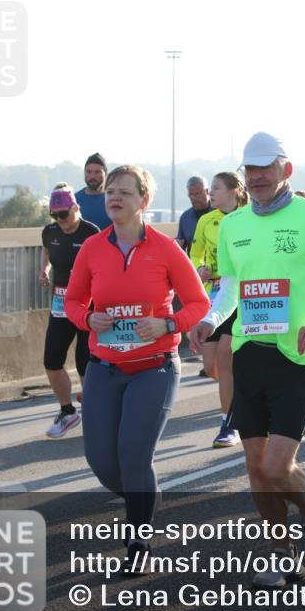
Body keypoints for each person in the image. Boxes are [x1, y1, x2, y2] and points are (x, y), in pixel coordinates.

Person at [189, 133, 305, 588]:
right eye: (250, 169)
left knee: (276, 468)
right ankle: (280, 553)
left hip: (295, 355)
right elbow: (229, 288)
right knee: (254, 467)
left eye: (266, 167)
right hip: (248, 353)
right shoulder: (233, 225)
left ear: (286, 169)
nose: (257, 176)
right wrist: (209, 320)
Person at [64, 165, 209, 566]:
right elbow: (73, 302)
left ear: (143, 201)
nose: (114, 197)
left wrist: (167, 323)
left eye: (125, 192)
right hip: (104, 367)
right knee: (101, 460)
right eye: (111, 191)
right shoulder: (93, 248)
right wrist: (88, 319)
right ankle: (143, 499)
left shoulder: (165, 249)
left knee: (133, 454)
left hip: (154, 367)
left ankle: (138, 542)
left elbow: (198, 303)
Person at [188, 172, 249, 448]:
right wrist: (199, 268)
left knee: (226, 359)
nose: (210, 193)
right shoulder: (206, 220)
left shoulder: (250, 217)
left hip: (240, 296)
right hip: (213, 296)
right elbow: (195, 253)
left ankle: (229, 422)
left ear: (235, 190)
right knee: (212, 365)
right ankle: (238, 390)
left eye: (216, 188)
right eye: (210, 188)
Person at [39, 184, 100, 438]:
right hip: (61, 305)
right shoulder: (49, 232)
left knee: (85, 364)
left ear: (76, 208)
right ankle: (67, 412)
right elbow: (46, 251)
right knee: (51, 360)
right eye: (55, 216)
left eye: (64, 214)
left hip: (87, 306)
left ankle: (95, 417)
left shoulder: (90, 233)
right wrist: (44, 270)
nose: (60, 220)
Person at [175, 176, 214, 254]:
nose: (194, 198)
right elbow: (181, 246)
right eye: (191, 195)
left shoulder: (219, 212)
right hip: (194, 265)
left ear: (207, 192)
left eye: (198, 194)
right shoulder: (185, 217)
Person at [77, 152, 110, 230]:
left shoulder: (114, 199)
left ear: (106, 174)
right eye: (88, 171)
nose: (92, 176)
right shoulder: (74, 200)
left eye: (97, 172)